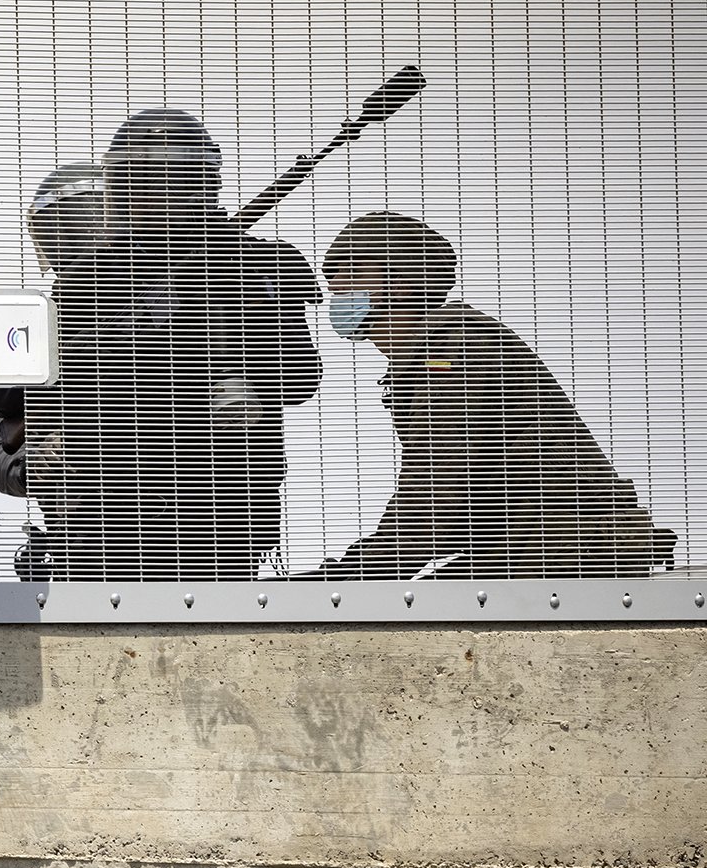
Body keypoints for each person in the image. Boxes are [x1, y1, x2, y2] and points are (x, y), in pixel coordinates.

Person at [38, 109, 323, 580]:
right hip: (106, 516)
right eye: (130, 180)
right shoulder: (88, 280)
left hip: (222, 511)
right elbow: (46, 398)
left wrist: (248, 367)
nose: (134, 194)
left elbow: (299, 377)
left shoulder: (260, 262)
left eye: (150, 179)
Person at [305, 211, 657, 578]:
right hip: (530, 545)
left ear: (401, 281)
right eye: (333, 276)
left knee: (410, 605)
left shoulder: (454, 348)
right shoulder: (424, 358)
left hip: (572, 546)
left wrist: (360, 574)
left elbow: (438, 487)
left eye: (353, 270)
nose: (336, 286)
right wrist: (357, 566)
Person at [0, 162, 107, 579]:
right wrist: (32, 464)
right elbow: (0, 445)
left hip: (193, 532)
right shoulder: (47, 321)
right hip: (88, 550)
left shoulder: (182, 295)